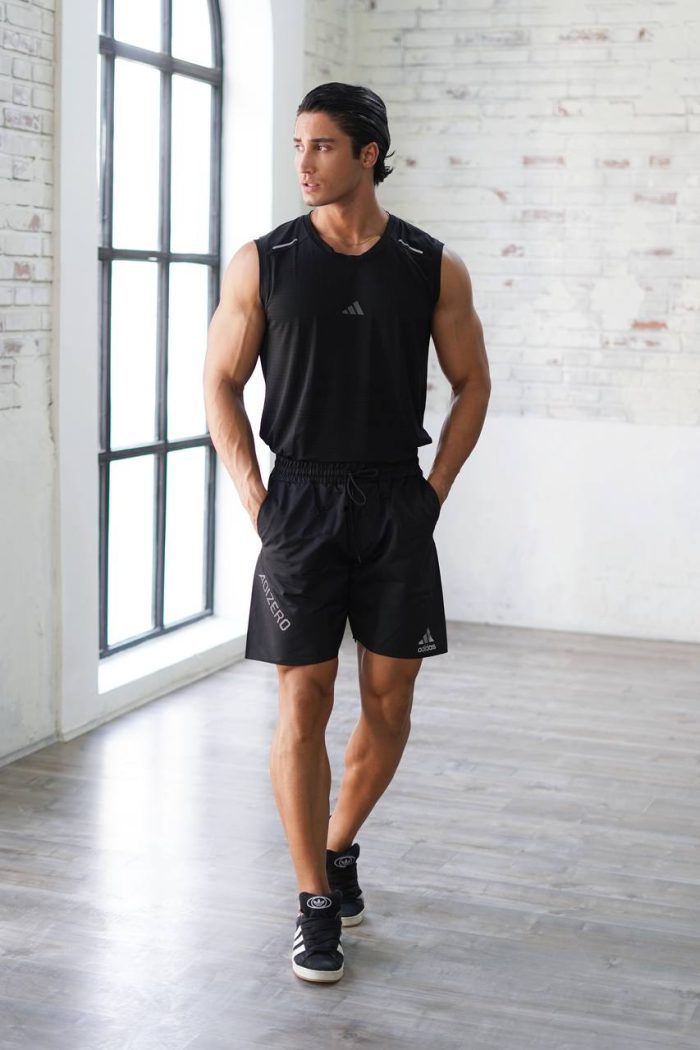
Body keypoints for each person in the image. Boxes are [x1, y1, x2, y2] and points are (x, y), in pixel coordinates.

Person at [203, 82, 490, 984]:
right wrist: (257, 499)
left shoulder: (431, 265)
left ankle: (335, 847)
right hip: (299, 501)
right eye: (298, 145)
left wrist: (433, 492)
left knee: (390, 704)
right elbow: (219, 383)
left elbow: (473, 382)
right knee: (304, 699)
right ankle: (314, 904)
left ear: (369, 153)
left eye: (322, 146)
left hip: (395, 500)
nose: (304, 162)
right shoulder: (263, 262)